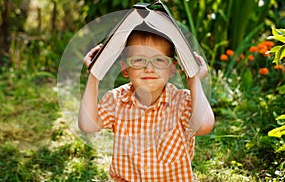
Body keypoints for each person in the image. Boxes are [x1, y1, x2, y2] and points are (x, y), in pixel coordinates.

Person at [79, 29, 215, 181]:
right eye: (138, 60)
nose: (149, 68)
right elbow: (88, 125)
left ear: (171, 68)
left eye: (159, 60)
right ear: (125, 68)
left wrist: (194, 80)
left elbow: (204, 126)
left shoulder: (182, 102)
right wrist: (94, 75)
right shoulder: (117, 100)